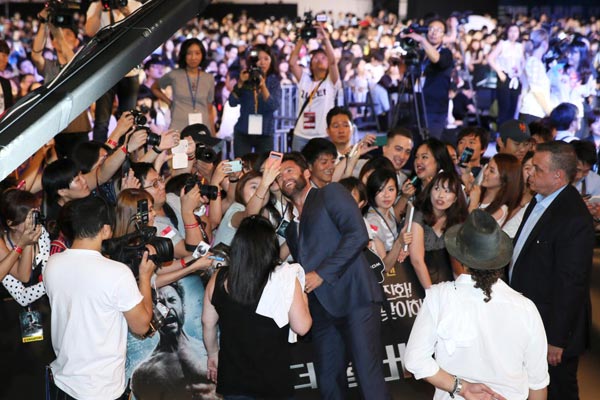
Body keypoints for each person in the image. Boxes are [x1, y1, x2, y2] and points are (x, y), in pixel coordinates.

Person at [279, 152, 390, 399]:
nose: (284, 177)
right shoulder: (291, 227)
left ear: (306, 172)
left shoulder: (330, 193)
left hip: (355, 299)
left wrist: (321, 273)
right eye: (278, 176)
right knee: (328, 381)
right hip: (320, 310)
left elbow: (357, 235)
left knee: (367, 376)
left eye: (288, 170)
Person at [405, 210, 549, 400]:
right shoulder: (526, 308)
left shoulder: (439, 297)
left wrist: (461, 388)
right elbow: (537, 384)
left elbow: (415, 360)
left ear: (458, 259)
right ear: (500, 260)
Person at [44, 196, 155, 400]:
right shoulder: (117, 273)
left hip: (63, 380)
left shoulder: (52, 263)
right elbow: (141, 326)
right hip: (101, 388)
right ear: (105, 230)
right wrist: (145, 277)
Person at [510, 141, 594, 400]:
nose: (530, 173)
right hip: (530, 320)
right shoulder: (540, 201)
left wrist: (557, 339)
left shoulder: (573, 217)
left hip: (551, 329)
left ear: (558, 176)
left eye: (537, 169)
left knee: (558, 391)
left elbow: (571, 283)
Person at [202, 215, 311, 399]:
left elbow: (208, 322)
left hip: (234, 380)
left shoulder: (218, 278)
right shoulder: (283, 279)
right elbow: (302, 327)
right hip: (273, 381)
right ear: (271, 246)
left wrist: (212, 354)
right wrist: (303, 296)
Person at [131, 282, 217, 400]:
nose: (167, 309)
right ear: (150, 313)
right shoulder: (144, 373)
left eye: (172, 300)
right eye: (160, 304)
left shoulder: (209, 353)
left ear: (183, 307)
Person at [86, 0, 143, 142]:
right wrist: (100, 6)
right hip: (105, 71)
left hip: (130, 70)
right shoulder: (97, 6)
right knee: (101, 121)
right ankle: (99, 153)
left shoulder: (135, 5)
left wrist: (127, 12)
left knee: (128, 120)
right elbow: (90, 31)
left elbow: (141, 33)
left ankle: (124, 153)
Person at [289, 24, 341, 151]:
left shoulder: (331, 81)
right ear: (311, 65)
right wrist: (301, 39)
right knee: (298, 163)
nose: (319, 60)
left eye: (323, 57)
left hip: (323, 134)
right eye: (315, 57)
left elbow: (333, 62)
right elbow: (292, 63)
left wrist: (325, 39)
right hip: (301, 134)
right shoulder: (305, 80)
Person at [400, 17, 454, 139]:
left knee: (430, 143)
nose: (434, 33)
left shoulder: (446, 53)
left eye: (438, 30)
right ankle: (376, 143)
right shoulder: (420, 54)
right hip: (417, 104)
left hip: (435, 108)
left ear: (443, 35)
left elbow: (437, 60)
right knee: (408, 138)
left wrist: (422, 40)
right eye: (431, 29)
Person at [152, 38, 216, 134]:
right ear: (183, 55)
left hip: (202, 129)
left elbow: (209, 109)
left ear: (202, 55)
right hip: (178, 127)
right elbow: (154, 88)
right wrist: (169, 103)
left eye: (197, 53)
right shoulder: (174, 75)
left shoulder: (209, 78)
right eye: (189, 53)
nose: (193, 57)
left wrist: (213, 133)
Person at [229, 44, 282, 156]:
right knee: (239, 164)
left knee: (264, 165)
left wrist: (263, 86)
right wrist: (240, 83)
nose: (262, 63)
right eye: (259, 59)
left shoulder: (274, 81)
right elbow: (232, 102)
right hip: (243, 131)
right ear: (253, 61)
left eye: (266, 59)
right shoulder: (245, 77)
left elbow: (273, 106)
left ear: (271, 61)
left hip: (265, 132)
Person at [468, 153, 523, 227]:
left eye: (492, 171)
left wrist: (473, 205)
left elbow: (477, 229)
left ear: (504, 179)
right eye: (487, 167)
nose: (485, 173)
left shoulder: (500, 211)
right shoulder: (478, 192)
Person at [487, 24, 525, 125]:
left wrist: (520, 71)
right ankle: (501, 130)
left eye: (516, 31)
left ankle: (510, 130)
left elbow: (523, 62)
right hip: (504, 77)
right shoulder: (503, 44)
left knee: (513, 106)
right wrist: (499, 72)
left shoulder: (520, 46)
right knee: (504, 106)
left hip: (516, 78)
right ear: (507, 32)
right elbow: (490, 58)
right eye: (511, 31)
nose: (513, 34)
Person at [519, 29, 552, 124]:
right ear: (545, 44)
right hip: (533, 111)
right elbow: (536, 90)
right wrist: (549, 111)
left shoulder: (533, 62)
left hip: (533, 111)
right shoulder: (534, 63)